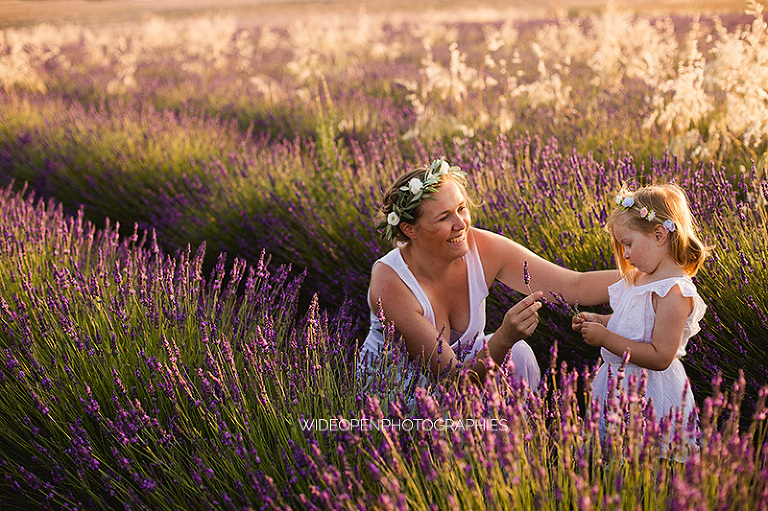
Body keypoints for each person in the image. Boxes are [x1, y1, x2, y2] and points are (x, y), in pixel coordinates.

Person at [358, 157, 619, 389]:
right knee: (510, 348)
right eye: (443, 217)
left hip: (471, 372)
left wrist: (649, 275)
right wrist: (505, 336)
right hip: (400, 400)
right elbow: (455, 384)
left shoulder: (481, 247)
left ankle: (523, 438)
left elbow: (575, 286)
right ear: (409, 230)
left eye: (461, 208)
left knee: (519, 354)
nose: (461, 224)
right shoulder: (391, 283)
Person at [572, 183, 708, 451]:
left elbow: (660, 356)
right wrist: (599, 320)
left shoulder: (674, 291)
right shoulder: (639, 280)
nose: (625, 254)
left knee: (648, 462)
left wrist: (605, 338)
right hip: (617, 388)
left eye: (629, 244)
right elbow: (633, 323)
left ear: (659, 234)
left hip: (651, 395)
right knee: (613, 465)